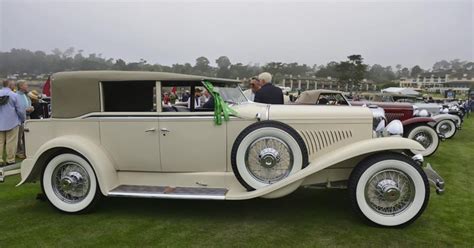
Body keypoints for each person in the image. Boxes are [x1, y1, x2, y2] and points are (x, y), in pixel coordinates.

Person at [0, 80, 26, 166]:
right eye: (13, 85)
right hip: (12, 122)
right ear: (10, 85)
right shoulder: (14, 95)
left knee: (0, 142)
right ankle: (10, 160)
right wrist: (23, 119)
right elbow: (19, 110)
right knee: (11, 142)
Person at [16, 80, 33, 159]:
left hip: (27, 118)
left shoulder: (26, 95)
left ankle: (27, 151)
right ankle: (19, 152)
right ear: (21, 86)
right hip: (19, 119)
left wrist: (31, 108)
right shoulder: (16, 95)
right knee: (19, 136)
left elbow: (29, 104)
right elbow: (17, 108)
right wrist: (24, 111)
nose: (27, 86)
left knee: (27, 136)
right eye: (26, 85)